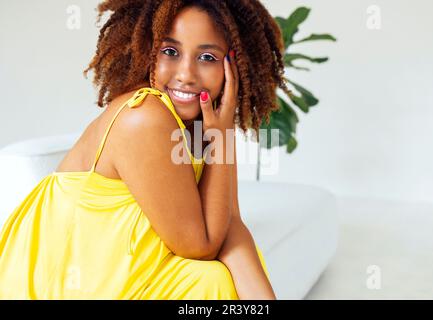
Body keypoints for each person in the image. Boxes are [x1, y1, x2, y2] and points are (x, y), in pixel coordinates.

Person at [0, 0, 290, 299]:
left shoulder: (200, 127)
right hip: (62, 284)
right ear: (148, 51)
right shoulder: (144, 116)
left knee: (213, 277)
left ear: (234, 66)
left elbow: (230, 224)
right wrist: (224, 140)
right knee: (208, 279)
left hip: (120, 277)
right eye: (170, 52)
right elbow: (200, 247)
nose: (186, 73)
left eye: (206, 57)